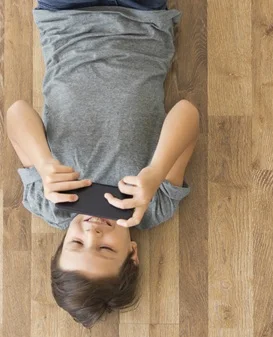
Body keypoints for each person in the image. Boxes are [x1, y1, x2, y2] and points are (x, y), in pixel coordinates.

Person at [5, 0, 199, 328]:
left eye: (78, 243)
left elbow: (16, 112)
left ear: (63, 241)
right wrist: (154, 173)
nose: (93, 232)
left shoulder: (47, 202)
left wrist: (44, 162)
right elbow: (188, 113)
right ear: (132, 256)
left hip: (64, 21)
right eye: (105, 250)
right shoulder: (154, 207)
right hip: (142, 23)